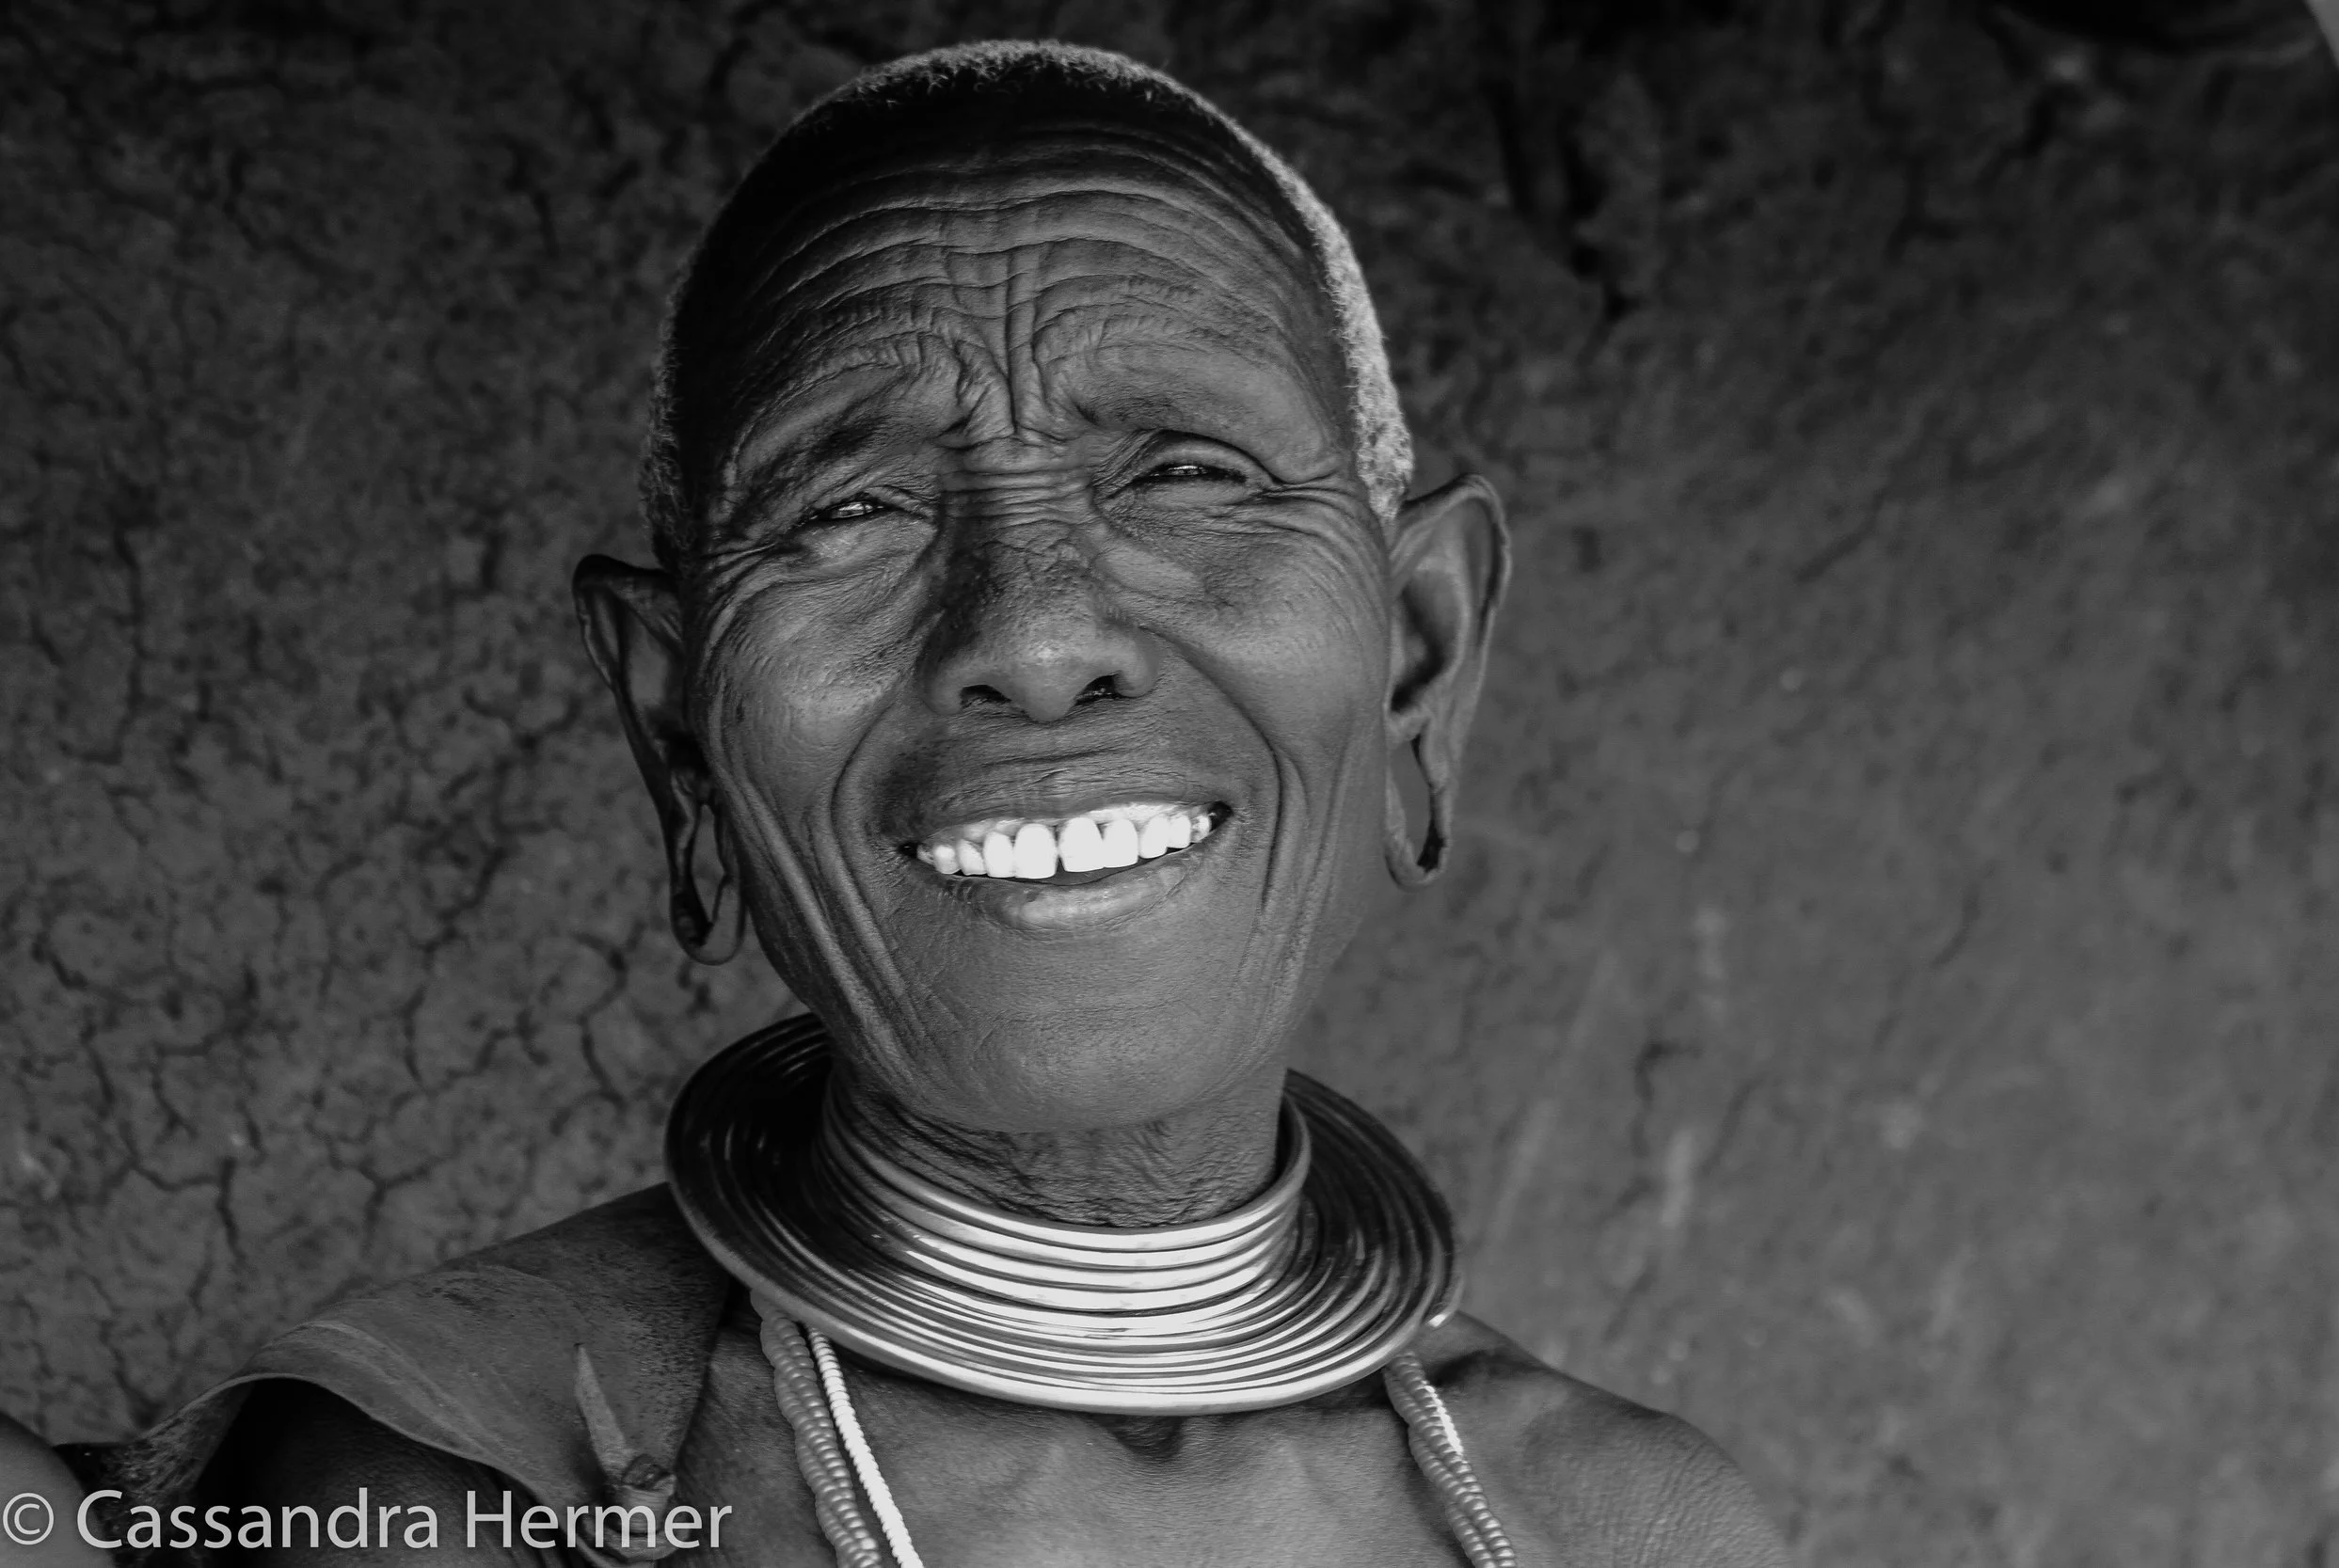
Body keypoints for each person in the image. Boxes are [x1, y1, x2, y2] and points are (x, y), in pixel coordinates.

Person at [3, 42, 1789, 1566]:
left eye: (1185, 470)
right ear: (681, 729)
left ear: (1415, 657)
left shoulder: (1633, 1522)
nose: (1033, 633)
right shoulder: (460, 1484)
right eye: (849, 512)